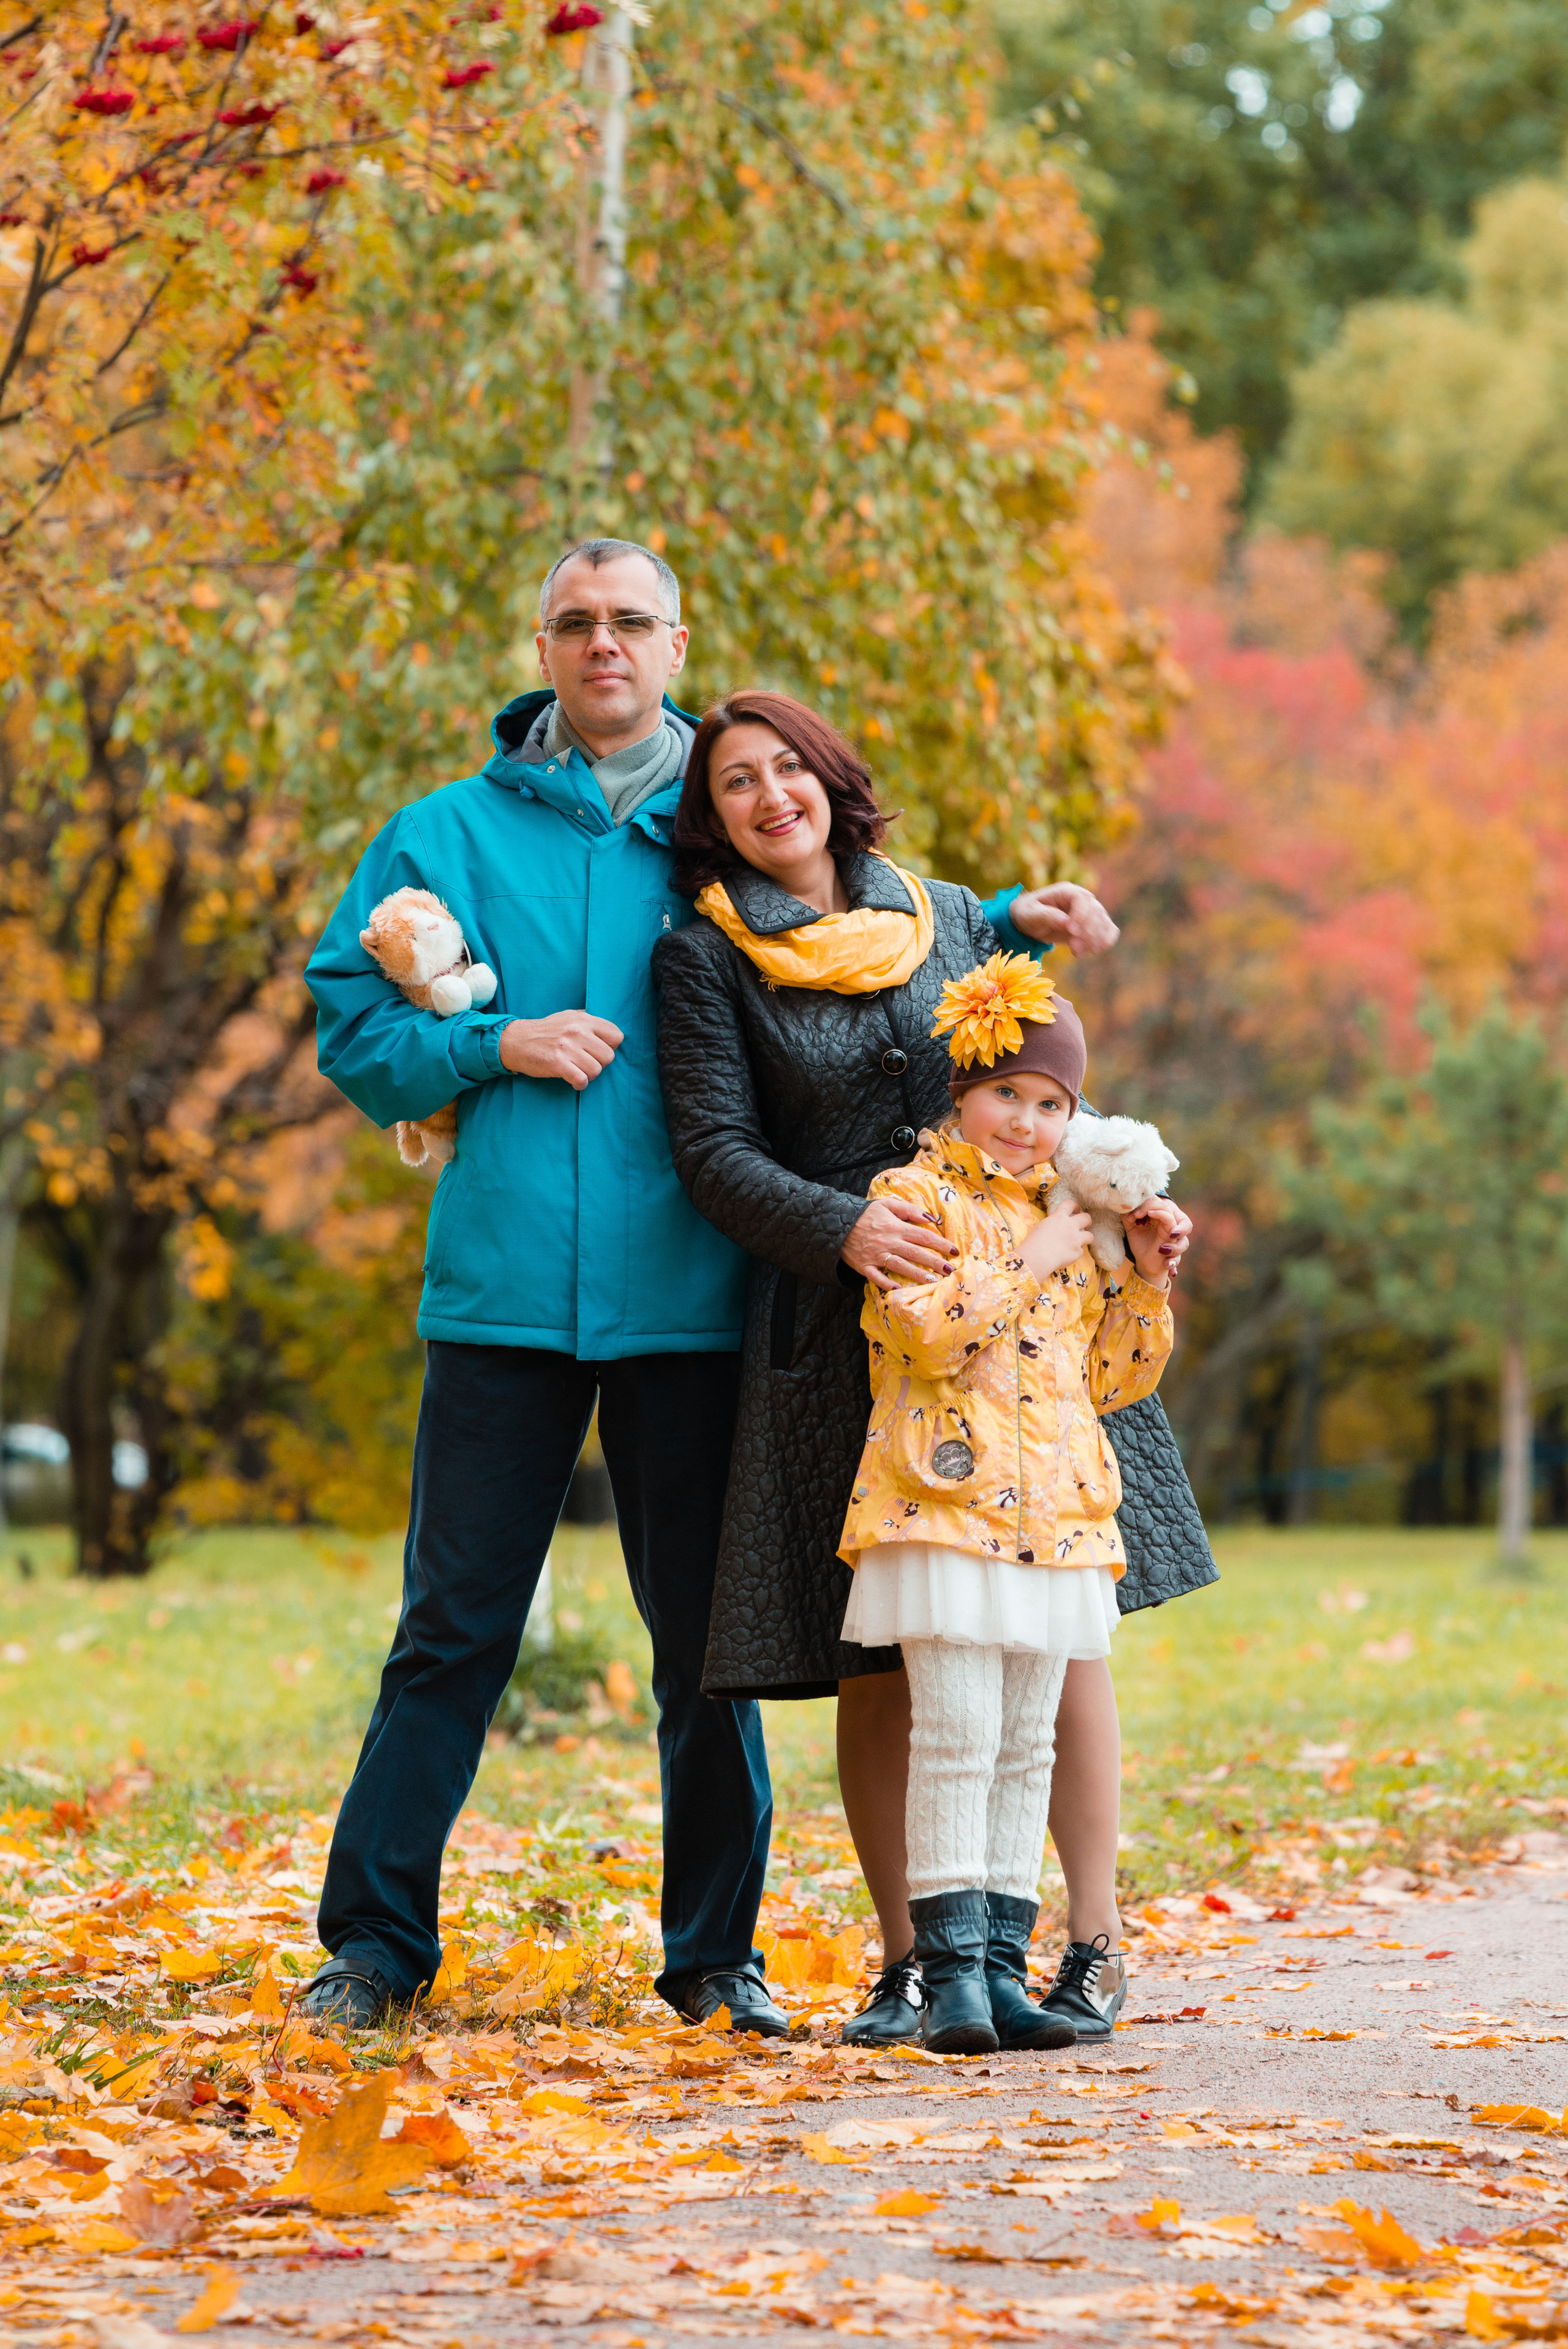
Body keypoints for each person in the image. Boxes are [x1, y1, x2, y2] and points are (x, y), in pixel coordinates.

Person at [300, 545, 1110, 2034]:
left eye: (629, 621)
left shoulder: (722, 813)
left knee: (704, 1650)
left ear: (672, 642)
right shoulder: (445, 833)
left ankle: (714, 1960)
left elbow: (858, 927)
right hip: (500, 1298)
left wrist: (1001, 917)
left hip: (695, 1302)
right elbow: (349, 1027)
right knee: (451, 1633)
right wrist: (491, 1044)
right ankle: (372, 1948)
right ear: (542, 648)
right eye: (575, 623)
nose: (602, 643)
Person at [655, 689, 1203, 2049]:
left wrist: (1119, 1209)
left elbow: (1033, 1067)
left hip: (1040, 1303)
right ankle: (918, 1959)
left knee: (1060, 1634)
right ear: (710, 815)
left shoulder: (945, 910)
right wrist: (841, 1227)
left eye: (789, 767)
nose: (770, 796)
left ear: (832, 778)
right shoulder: (703, 957)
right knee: (887, 1656)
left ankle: (1087, 1943)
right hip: (860, 1315)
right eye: (735, 781)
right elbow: (713, 1152)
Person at [837, 962, 1180, 2051]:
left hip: (1057, 1516)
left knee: (1028, 1741)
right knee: (959, 1732)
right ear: (961, 1093)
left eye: (1052, 1104)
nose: (1028, 1123)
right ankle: (946, 1979)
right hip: (943, 1505)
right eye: (1007, 1094)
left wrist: (1143, 1279)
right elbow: (922, 1334)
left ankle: (998, 1969)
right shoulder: (912, 1197)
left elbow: (1112, 1379)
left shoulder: (1076, 1219)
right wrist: (1027, 1264)